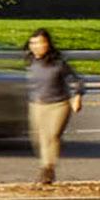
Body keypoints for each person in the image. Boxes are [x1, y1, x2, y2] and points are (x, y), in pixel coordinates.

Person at [23, 27, 83, 184]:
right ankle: (46, 167)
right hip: (37, 104)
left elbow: (76, 80)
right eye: (33, 43)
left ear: (48, 44)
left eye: (40, 43)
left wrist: (77, 96)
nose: (36, 47)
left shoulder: (58, 63)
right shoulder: (30, 61)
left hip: (58, 105)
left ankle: (47, 169)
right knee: (38, 139)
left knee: (51, 136)